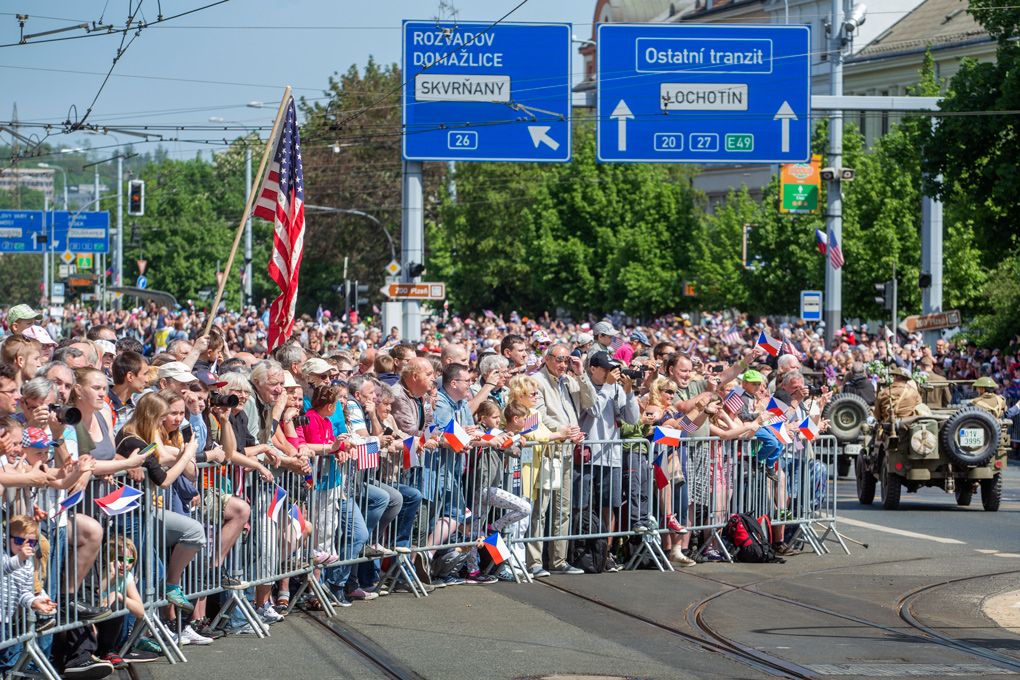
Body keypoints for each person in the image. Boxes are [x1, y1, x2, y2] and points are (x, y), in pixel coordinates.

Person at [530, 342, 591, 575]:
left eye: (567, 360)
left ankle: (559, 560)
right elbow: (539, 415)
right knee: (541, 508)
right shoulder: (537, 380)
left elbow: (590, 403)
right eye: (559, 359)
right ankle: (534, 561)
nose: (563, 364)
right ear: (547, 359)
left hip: (565, 450)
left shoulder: (569, 380)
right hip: (547, 450)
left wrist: (581, 372)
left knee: (563, 508)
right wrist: (565, 430)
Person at [1, 515, 59, 676]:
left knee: (8, 660)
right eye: (19, 541)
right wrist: (19, 558)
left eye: (31, 543)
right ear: (7, 538)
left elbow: (24, 593)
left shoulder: (27, 564)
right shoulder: (5, 555)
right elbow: (4, 568)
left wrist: (35, 602)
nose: (25, 546)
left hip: (8, 621)